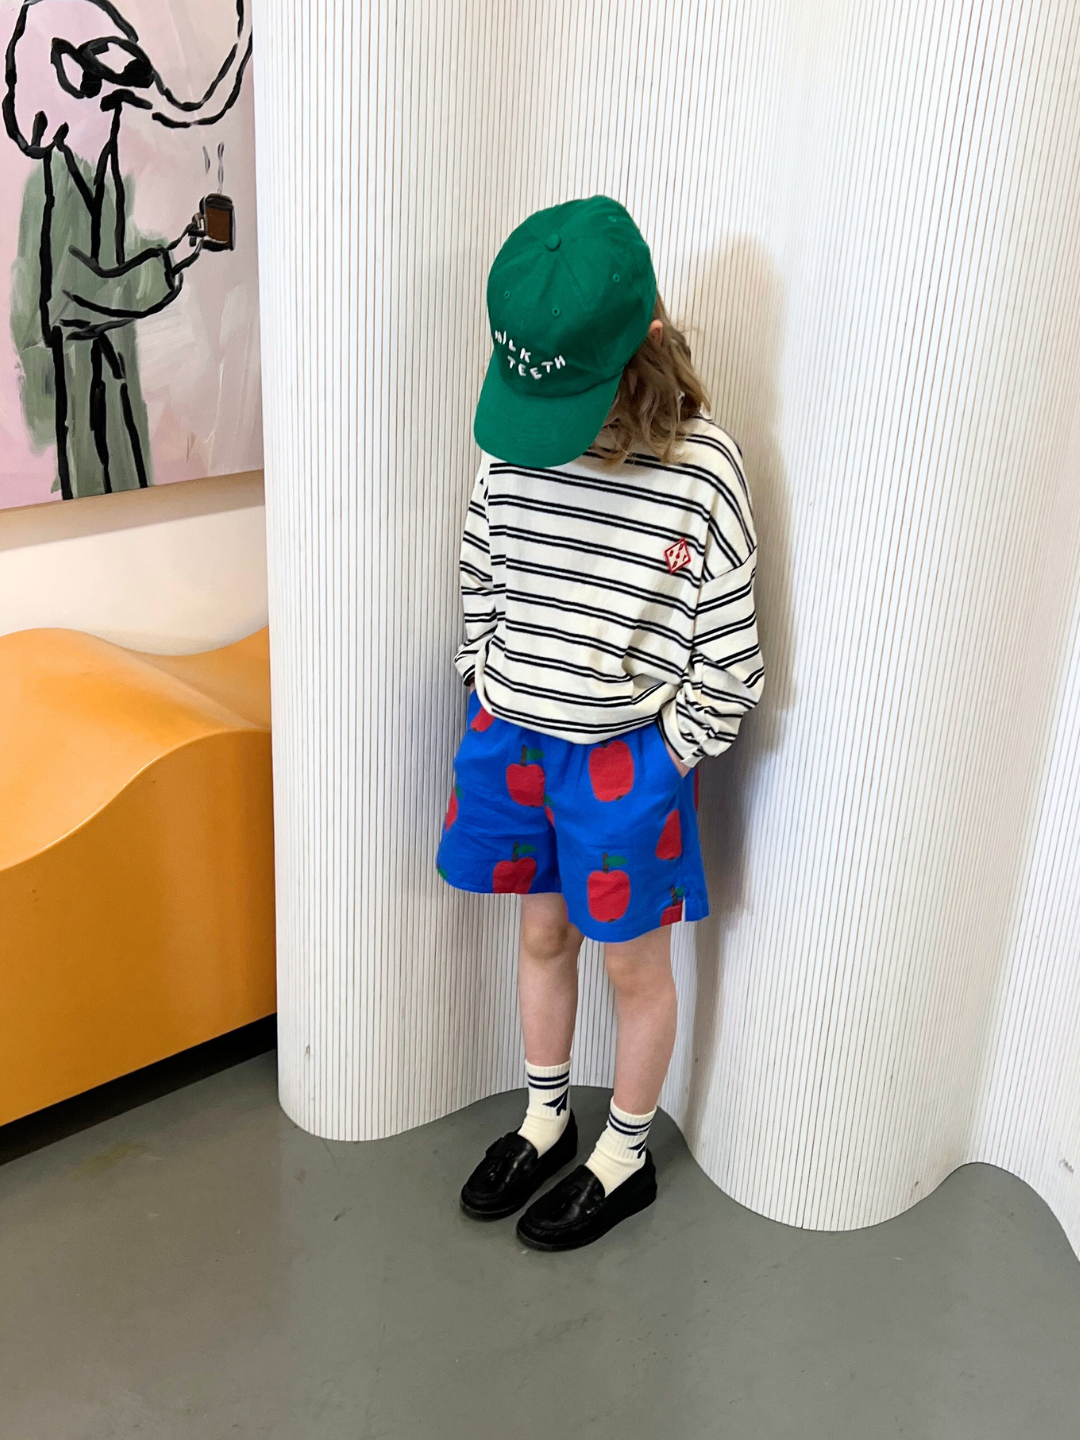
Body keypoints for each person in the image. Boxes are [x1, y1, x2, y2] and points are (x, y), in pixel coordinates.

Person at [437, 195, 764, 1251]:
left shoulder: (703, 470)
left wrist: (667, 753)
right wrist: (483, 678)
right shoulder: (511, 440)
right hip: (514, 741)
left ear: (645, 348)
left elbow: (732, 657)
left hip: (625, 761)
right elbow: (482, 570)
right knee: (540, 930)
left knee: (631, 964)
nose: (551, 442)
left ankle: (624, 1153)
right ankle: (546, 1115)